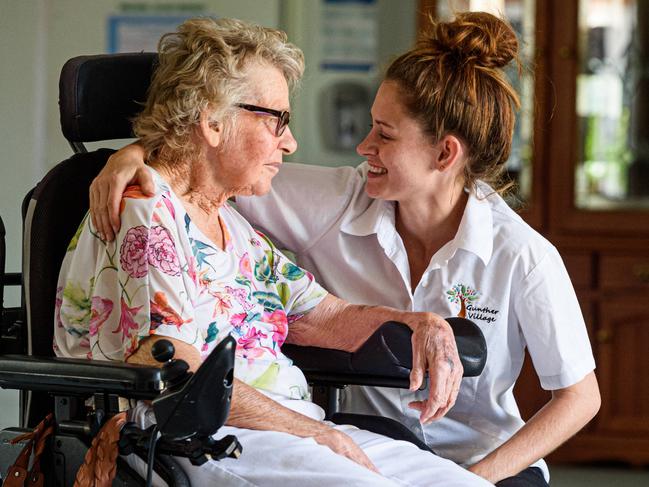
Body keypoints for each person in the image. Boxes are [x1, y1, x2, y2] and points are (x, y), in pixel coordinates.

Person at [89, 12, 602, 487]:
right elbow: (199, 167)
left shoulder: (521, 253)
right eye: (277, 122)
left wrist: (420, 325)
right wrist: (130, 157)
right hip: (275, 431)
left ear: (445, 153)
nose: (361, 147)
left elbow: (580, 397)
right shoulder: (176, 205)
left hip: (484, 452)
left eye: (384, 134)